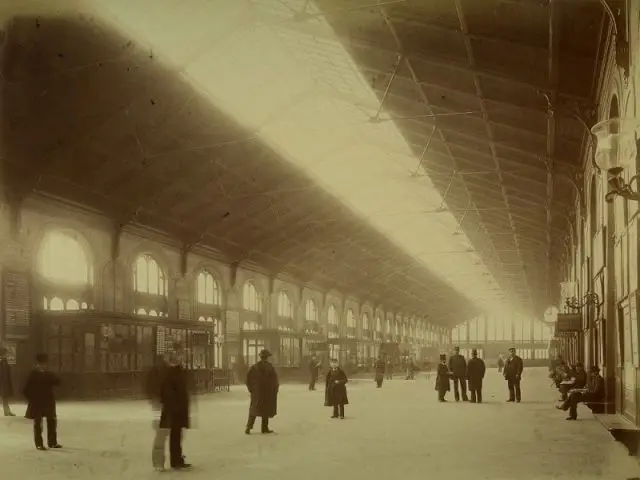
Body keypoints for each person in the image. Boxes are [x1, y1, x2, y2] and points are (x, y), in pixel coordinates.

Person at [157, 349, 191, 470]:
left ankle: (176, 460)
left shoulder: (178, 371)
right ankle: (161, 462)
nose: (182, 359)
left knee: (176, 435)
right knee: (164, 435)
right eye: (180, 357)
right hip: (172, 409)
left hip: (178, 409)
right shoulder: (169, 373)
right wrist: (174, 406)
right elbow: (167, 392)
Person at [23, 353, 61, 450]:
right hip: (38, 401)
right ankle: (39, 444)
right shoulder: (33, 373)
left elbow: (57, 382)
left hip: (48, 400)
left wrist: (54, 374)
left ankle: (52, 442)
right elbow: (26, 389)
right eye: (42, 363)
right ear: (38, 363)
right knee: (38, 422)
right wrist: (32, 399)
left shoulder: (48, 373)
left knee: (52, 420)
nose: (43, 365)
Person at [245, 349, 279, 435]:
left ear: (260, 357)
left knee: (254, 409)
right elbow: (275, 381)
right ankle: (264, 428)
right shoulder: (270, 367)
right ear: (267, 357)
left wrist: (251, 389)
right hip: (267, 392)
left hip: (256, 392)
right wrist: (274, 390)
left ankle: (248, 427)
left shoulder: (254, 367)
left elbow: (247, 379)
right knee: (265, 409)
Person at [0, 347, 15, 416]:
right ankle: (7, 411)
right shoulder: (1, 361)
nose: (6, 354)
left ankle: (7, 411)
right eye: (5, 353)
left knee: (5, 397)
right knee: (4, 396)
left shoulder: (4, 360)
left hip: (5, 382)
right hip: (2, 382)